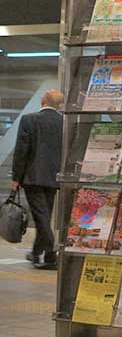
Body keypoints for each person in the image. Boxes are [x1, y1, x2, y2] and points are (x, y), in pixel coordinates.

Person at [12, 89, 64, 270]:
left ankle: (51, 253)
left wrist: (16, 177)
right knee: (44, 216)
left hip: (33, 177)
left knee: (41, 216)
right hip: (55, 177)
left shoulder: (29, 119)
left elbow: (21, 150)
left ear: (43, 101)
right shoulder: (64, 122)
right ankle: (35, 253)